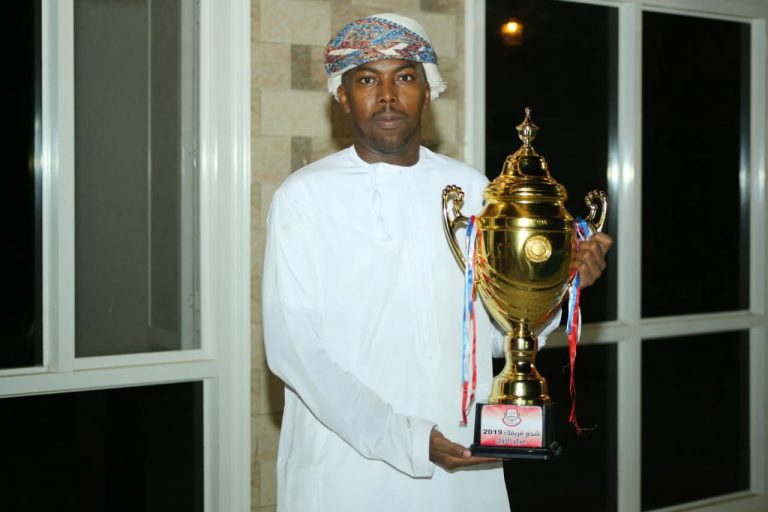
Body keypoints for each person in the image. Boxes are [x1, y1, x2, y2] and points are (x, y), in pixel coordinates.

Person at [262, 13, 613, 511]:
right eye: (367, 80)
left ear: (428, 92)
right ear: (342, 96)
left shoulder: (473, 189)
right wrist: (407, 438)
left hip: (463, 456)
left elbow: (498, 334)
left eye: (405, 77)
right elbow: (295, 350)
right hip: (346, 469)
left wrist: (560, 285)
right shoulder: (303, 197)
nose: (387, 95)